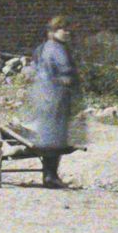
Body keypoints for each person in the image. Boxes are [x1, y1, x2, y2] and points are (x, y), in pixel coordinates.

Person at [24, 16, 78, 188]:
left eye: (69, 29)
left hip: (44, 98)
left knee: (49, 138)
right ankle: (51, 177)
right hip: (55, 98)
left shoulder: (43, 48)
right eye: (64, 29)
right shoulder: (57, 49)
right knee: (55, 139)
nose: (67, 33)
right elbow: (66, 72)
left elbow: (34, 70)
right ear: (54, 31)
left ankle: (49, 175)